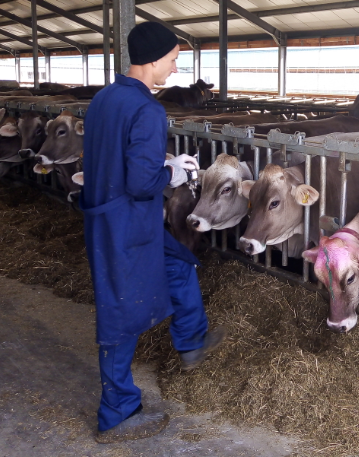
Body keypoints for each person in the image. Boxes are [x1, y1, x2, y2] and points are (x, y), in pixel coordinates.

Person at [80, 22, 226, 444]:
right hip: (127, 223)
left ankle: (191, 339)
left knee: (179, 262)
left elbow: (114, 157)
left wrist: (159, 162)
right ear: (154, 58)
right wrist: (174, 170)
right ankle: (118, 413)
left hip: (110, 218)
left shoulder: (105, 98)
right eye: (175, 59)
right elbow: (143, 184)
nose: (176, 69)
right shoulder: (148, 110)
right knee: (120, 314)